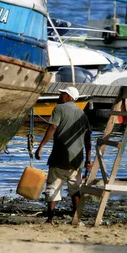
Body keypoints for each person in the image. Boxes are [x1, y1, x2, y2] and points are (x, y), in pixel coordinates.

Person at [35, 86, 92, 225]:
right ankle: (76, 219)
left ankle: (50, 219)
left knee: (53, 186)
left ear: (69, 96)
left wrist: (41, 147)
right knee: (75, 189)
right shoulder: (82, 114)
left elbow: (53, 127)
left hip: (59, 157)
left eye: (63, 94)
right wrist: (88, 160)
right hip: (76, 159)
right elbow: (88, 139)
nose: (60, 96)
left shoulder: (59, 109)